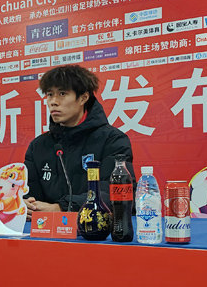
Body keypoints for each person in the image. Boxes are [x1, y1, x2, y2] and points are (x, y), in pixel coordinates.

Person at [24, 65, 136, 214]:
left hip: (96, 226)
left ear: (83, 97)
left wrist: (62, 208)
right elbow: (28, 192)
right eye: (50, 94)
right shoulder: (38, 146)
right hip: (44, 227)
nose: (53, 102)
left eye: (62, 94)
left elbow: (116, 192)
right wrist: (26, 204)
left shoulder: (113, 140)